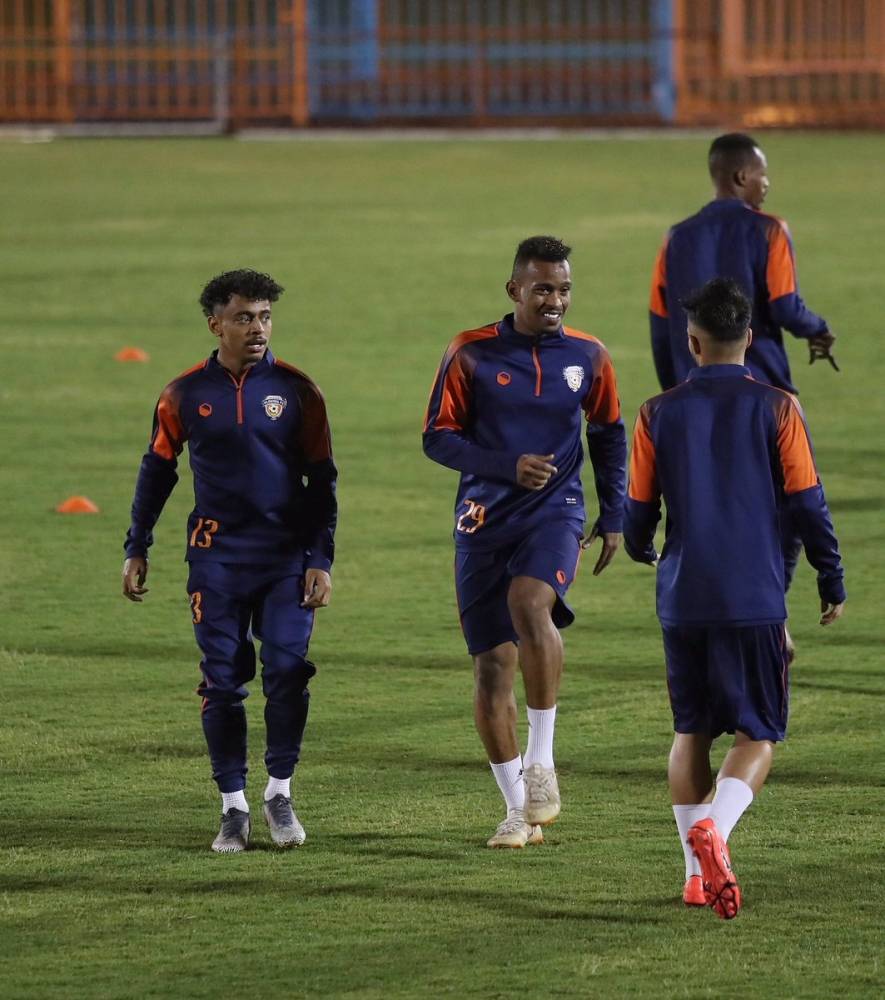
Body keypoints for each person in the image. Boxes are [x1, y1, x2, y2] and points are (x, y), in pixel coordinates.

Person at [624, 277, 845, 919]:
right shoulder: (779, 407)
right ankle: (715, 828)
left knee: (690, 731)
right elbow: (808, 503)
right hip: (753, 596)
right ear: (749, 338)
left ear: (692, 343)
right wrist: (830, 578)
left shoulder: (656, 412)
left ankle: (696, 879)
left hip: (683, 597)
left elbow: (638, 510)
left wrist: (643, 549)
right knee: (758, 734)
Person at [122, 269, 337, 854]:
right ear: (215, 324)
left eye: (265, 317)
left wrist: (320, 557)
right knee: (222, 682)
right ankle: (233, 807)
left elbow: (322, 480)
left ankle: (279, 793)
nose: (258, 328)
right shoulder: (183, 394)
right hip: (216, 560)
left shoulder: (298, 390)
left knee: (288, 670)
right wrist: (137, 545)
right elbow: (157, 470)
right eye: (244, 317)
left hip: (285, 558)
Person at [423, 236, 627, 849]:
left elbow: (608, 433)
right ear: (514, 290)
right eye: (542, 289)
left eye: (563, 289)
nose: (555, 300)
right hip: (483, 519)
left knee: (530, 604)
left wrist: (615, 513)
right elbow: (438, 437)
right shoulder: (470, 352)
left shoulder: (589, 356)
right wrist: (505, 465)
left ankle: (542, 760)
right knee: (492, 668)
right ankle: (518, 810)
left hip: (555, 512)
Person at [649, 132, 838, 396]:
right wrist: (818, 329)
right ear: (742, 177)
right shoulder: (771, 230)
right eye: (762, 174)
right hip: (762, 392)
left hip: (695, 394)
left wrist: (675, 394)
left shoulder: (675, 238)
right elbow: (786, 308)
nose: (766, 183)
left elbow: (660, 326)